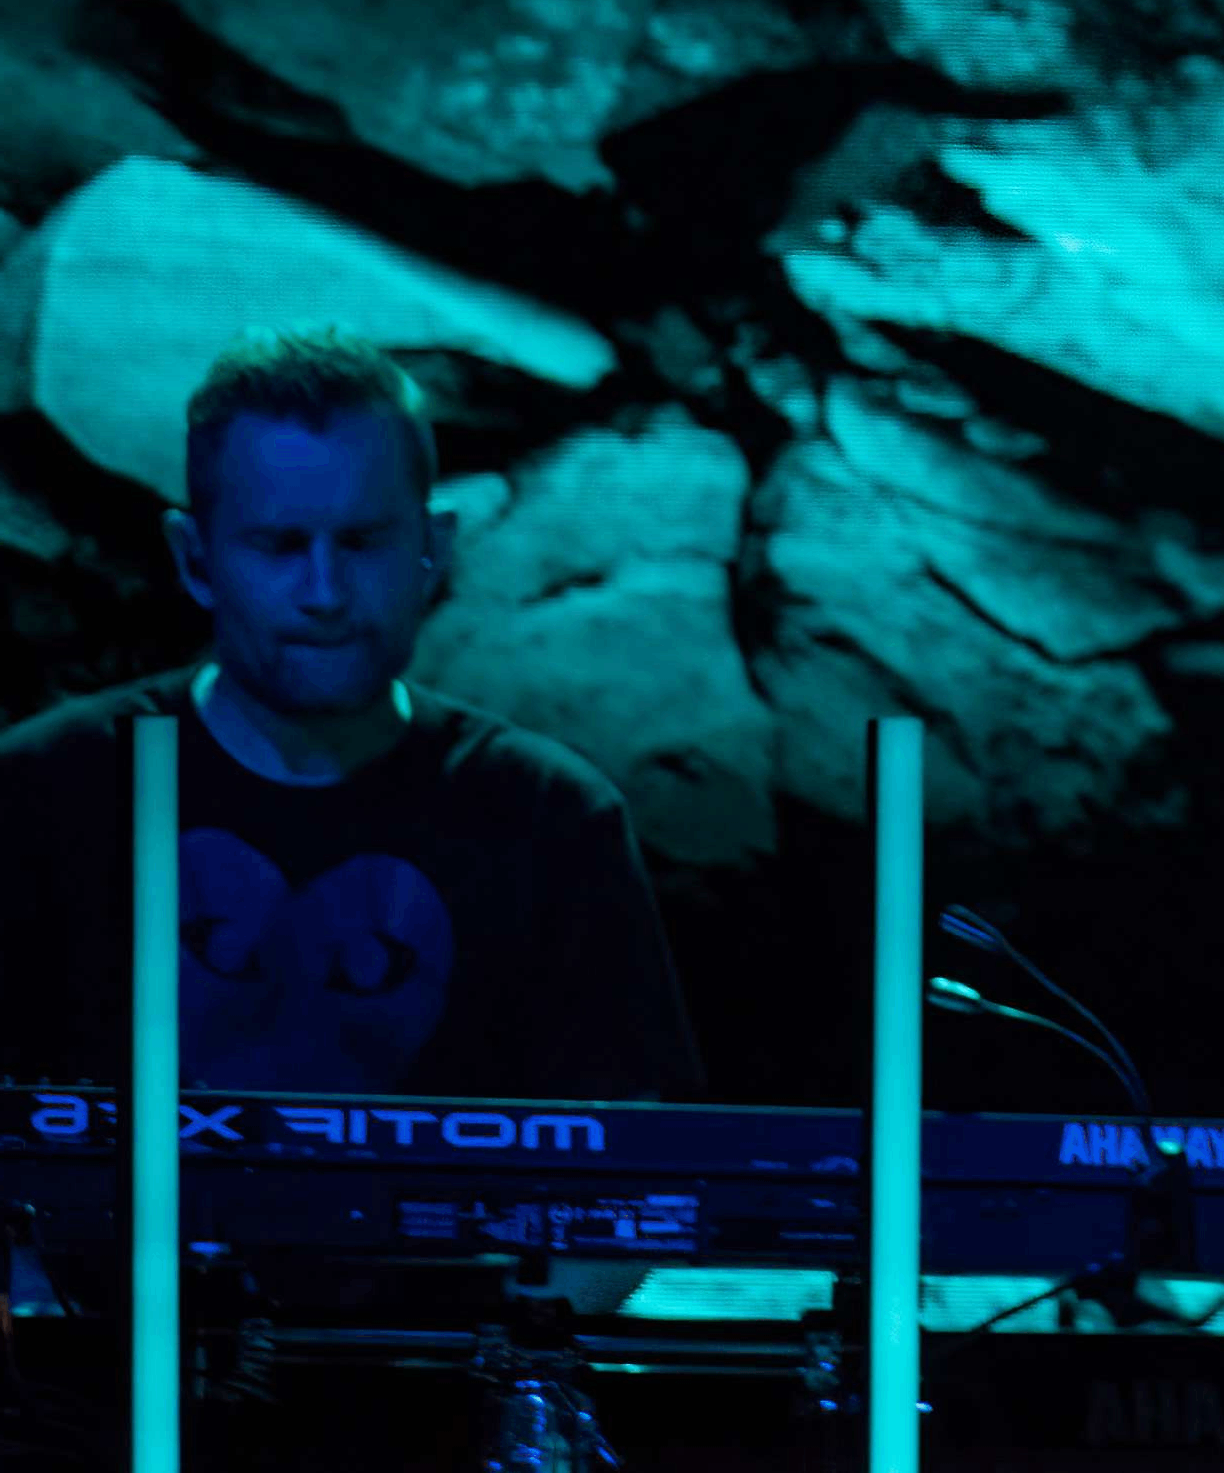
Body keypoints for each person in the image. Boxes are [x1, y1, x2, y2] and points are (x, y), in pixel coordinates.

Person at [0, 328, 700, 1101]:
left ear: (432, 549)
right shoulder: (40, 794)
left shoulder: (551, 820)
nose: (325, 593)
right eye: (279, 546)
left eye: (364, 542)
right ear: (196, 561)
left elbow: (635, 1163)